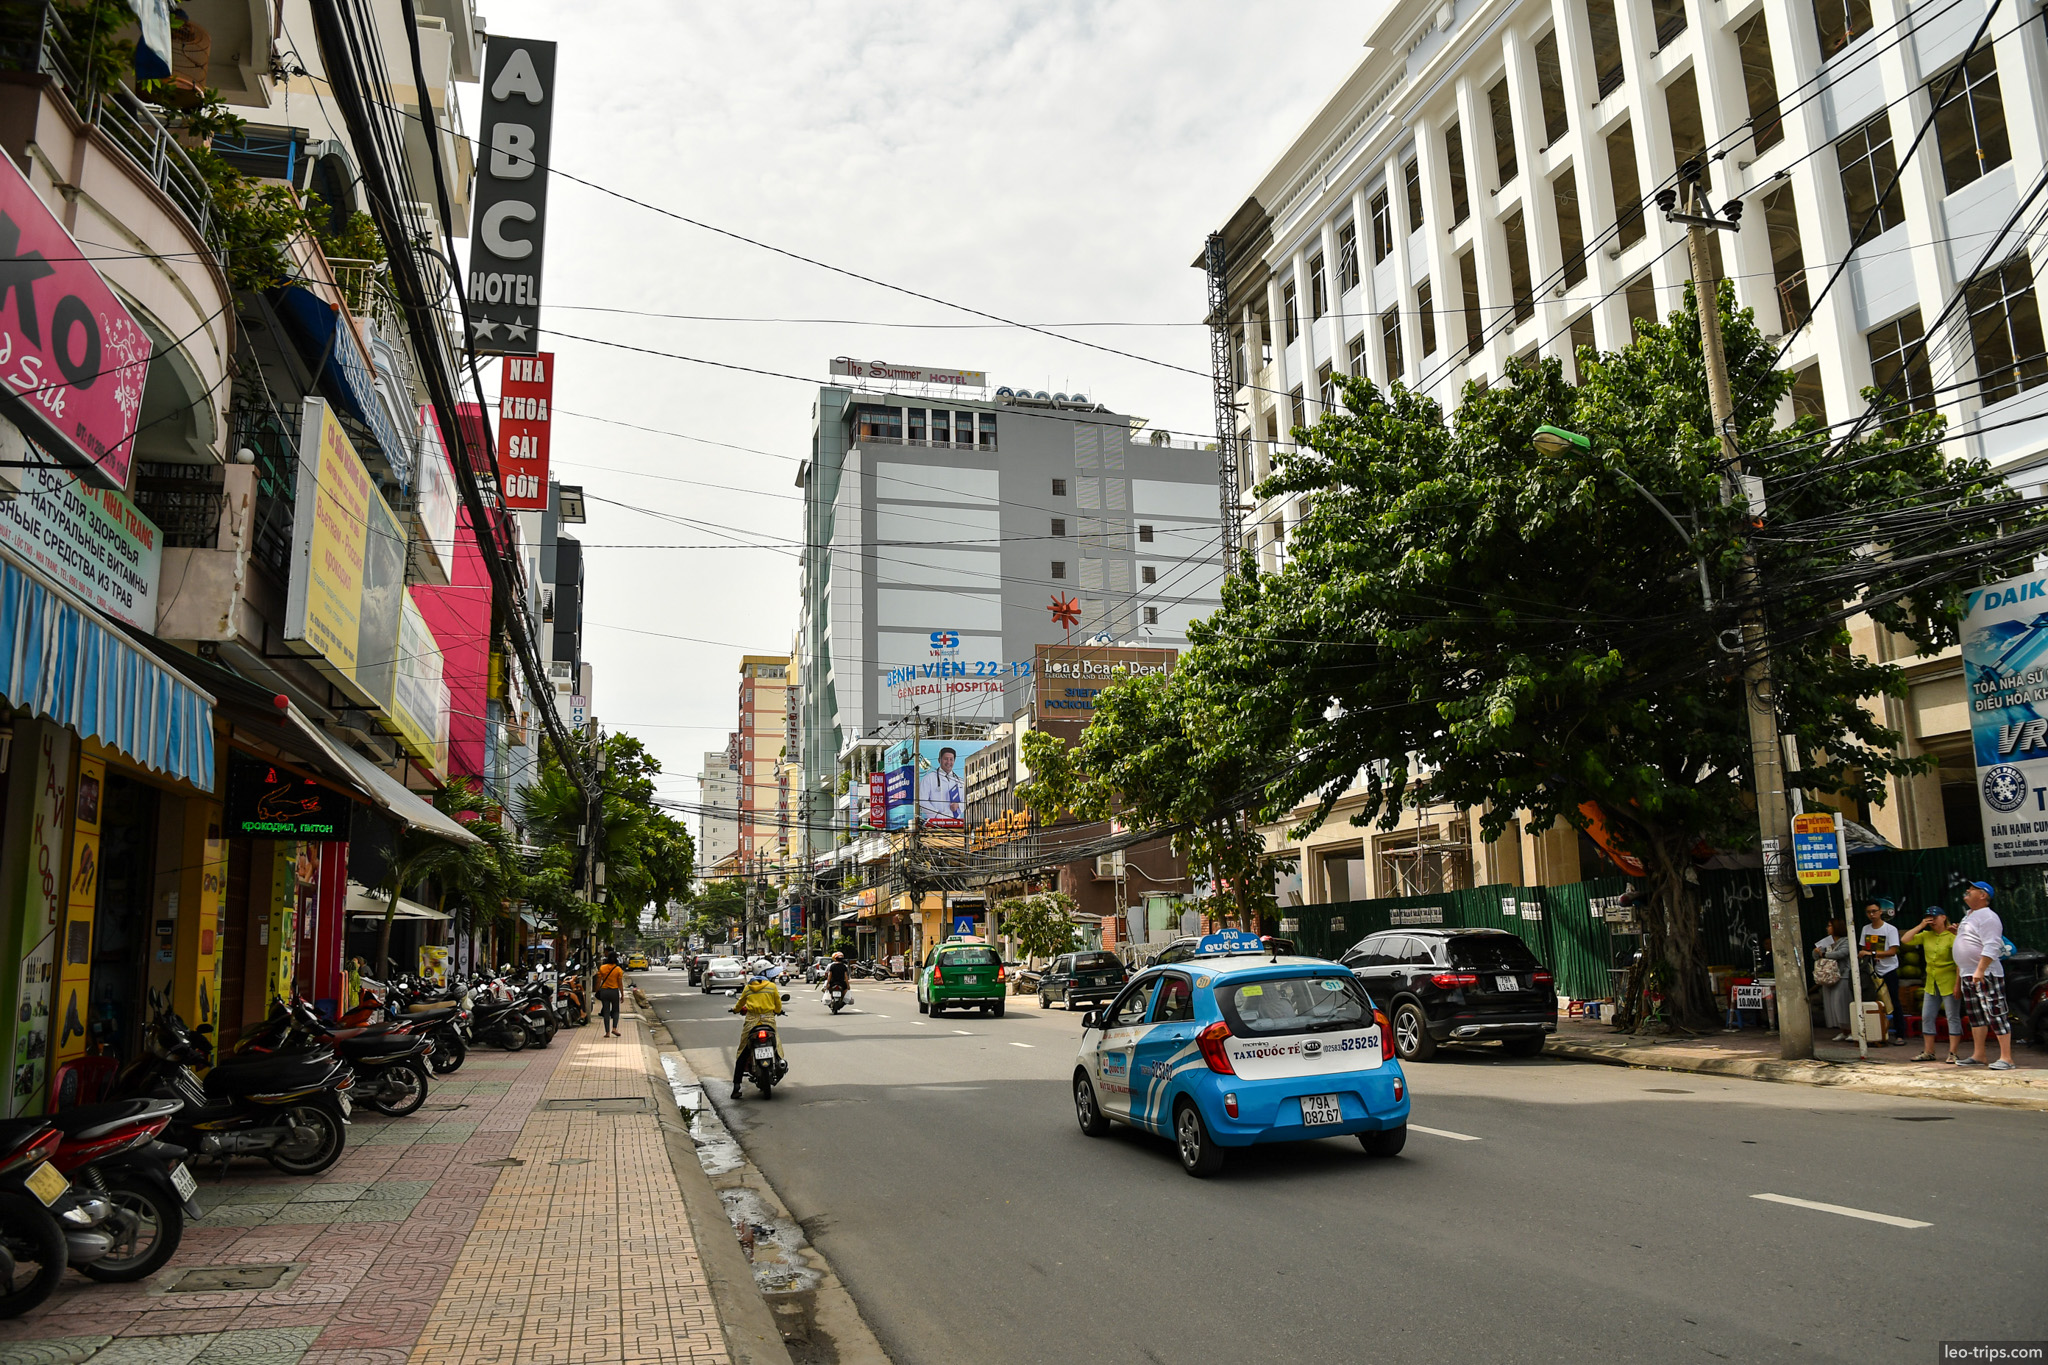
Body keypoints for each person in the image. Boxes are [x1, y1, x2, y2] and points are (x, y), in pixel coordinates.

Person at [1953, 881, 2015, 1070]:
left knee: (1996, 1012)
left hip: (1985, 973)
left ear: (1982, 895)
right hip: (1967, 973)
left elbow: (1992, 944)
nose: (1967, 891)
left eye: (1971, 889)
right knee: (1976, 1016)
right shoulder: (1969, 916)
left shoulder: (1989, 916)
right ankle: (1979, 1054)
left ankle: (2007, 1058)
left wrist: (1980, 969)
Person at [1902, 908, 1962, 1062]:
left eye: (1934, 917)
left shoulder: (1952, 937)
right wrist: (1920, 926)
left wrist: (1958, 985)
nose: (1932, 921)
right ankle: (1929, 1051)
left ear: (1943, 917)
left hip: (1948, 982)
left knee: (1952, 1017)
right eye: (1929, 918)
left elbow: (1959, 963)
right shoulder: (1926, 935)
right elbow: (1905, 940)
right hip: (1931, 982)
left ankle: (1953, 1053)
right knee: (1927, 1016)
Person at [730, 970, 786, 1096]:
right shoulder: (771, 987)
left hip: (752, 1023)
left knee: (743, 1052)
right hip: (768, 1021)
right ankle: (780, 1063)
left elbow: (740, 1004)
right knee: (776, 1046)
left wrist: (735, 1010)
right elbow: (778, 1005)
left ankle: (736, 1087)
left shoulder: (748, 988)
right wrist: (777, 1011)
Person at [1857, 899, 1902, 1044]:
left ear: (1880, 912)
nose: (1872, 914)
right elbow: (1863, 949)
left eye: (1874, 911)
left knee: (1894, 1001)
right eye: (1869, 912)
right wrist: (1867, 954)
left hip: (1889, 969)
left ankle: (1900, 1034)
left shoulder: (1890, 929)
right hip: (1872, 970)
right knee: (1873, 1001)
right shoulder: (1866, 929)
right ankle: (1875, 1032)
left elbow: (1893, 951)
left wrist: (1873, 953)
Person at [1813, 919, 1854, 1042]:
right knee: (1832, 1006)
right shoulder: (1827, 941)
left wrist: (1824, 955)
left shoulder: (1846, 941)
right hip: (1827, 976)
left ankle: (1852, 1030)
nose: (1827, 928)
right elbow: (1815, 954)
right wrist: (1817, 953)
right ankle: (1843, 1031)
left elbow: (1842, 953)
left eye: (1830, 926)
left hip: (1842, 976)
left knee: (1842, 1004)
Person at [916, 746, 966, 826]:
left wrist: (958, 806)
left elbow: (966, 801)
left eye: (951, 759)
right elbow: (922, 801)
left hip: (956, 824)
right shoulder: (929, 778)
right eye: (946, 759)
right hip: (934, 823)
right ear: (939, 760)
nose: (948, 762)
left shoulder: (960, 781)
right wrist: (937, 815)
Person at [593, 953, 625, 1037]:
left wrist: (596, 991)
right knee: (616, 1011)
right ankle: (614, 1028)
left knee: (606, 1012)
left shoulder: (602, 968)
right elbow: (620, 984)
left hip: (604, 991)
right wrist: (622, 994)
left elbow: (598, 981)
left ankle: (607, 1032)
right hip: (614, 991)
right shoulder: (618, 969)